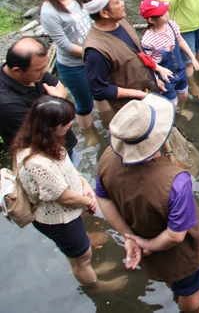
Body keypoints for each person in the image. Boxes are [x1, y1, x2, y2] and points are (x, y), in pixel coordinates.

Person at [95, 95, 199, 313]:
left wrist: (130, 237)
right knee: (189, 289)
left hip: (142, 235)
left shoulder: (106, 159)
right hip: (177, 253)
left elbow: (103, 198)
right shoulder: (177, 181)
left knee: (173, 280)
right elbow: (176, 235)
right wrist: (147, 245)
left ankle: (176, 288)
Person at [11, 96, 126, 293]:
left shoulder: (42, 142)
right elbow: (64, 197)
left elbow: (68, 170)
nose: (70, 124)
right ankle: (94, 286)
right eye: (65, 122)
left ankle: (84, 262)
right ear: (49, 127)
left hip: (69, 209)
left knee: (78, 252)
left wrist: (83, 184)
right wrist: (88, 200)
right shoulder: (38, 163)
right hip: (58, 219)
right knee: (82, 257)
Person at [82, 0, 172, 116]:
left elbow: (137, 55)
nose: (123, 3)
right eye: (117, 2)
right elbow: (99, 90)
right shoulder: (95, 51)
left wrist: (153, 77)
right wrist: (137, 94)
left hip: (149, 92)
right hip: (132, 108)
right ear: (104, 13)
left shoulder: (123, 21)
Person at [38, 0, 97, 134]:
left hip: (91, 56)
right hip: (74, 66)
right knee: (85, 103)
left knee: (100, 93)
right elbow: (64, 45)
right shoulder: (49, 12)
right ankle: (90, 134)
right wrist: (94, 52)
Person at [0, 38, 77, 158]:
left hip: (65, 144)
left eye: (45, 66)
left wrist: (58, 104)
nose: (45, 71)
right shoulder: (8, 105)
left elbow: (60, 87)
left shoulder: (34, 69)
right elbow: (35, 137)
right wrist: (59, 105)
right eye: (40, 69)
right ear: (16, 71)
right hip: (47, 156)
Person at [140, 0, 199, 114]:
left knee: (184, 94)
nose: (167, 14)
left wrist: (193, 58)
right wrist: (156, 79)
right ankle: (172, 119)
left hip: (179, 69)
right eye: (162, 14)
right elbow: (147, 62)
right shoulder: (148, 39)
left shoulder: (172, 25)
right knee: (171, 103)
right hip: (165, 76)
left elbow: (181, 41)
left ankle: (181, 111)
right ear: (152, 20)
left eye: (166, 11)